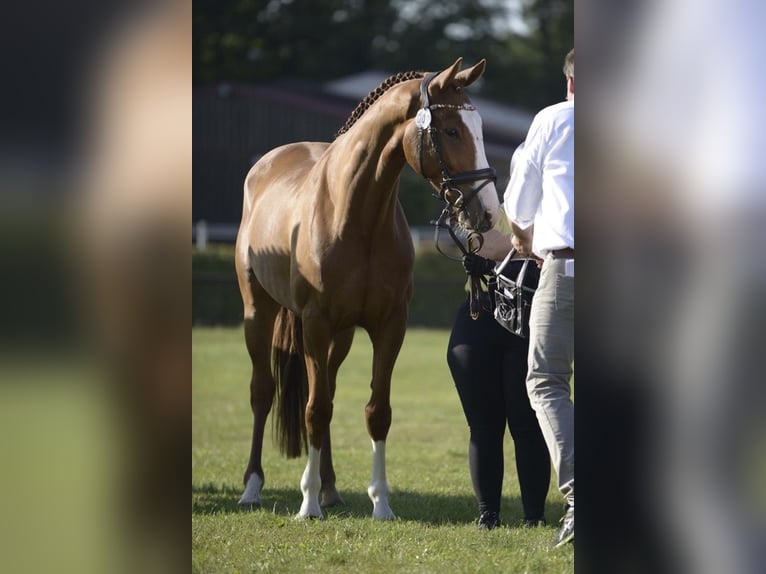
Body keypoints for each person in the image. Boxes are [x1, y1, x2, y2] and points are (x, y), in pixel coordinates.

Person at [503, 48, 575, 547]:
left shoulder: (554, 120)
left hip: (568, 268)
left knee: (546, 381)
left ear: (571, 80)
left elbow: (519, 201)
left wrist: (522, 239)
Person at [446, 215, 551, 531]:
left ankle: (534, 516)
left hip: (530, 317)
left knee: (527, 423)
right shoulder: (494, 207)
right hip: (481, 310)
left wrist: (502, 253)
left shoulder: (559, 206)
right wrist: (518, 248)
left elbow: (540, 249)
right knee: (483, 426)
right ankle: (487, 514)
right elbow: (477, 241)